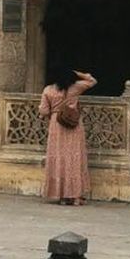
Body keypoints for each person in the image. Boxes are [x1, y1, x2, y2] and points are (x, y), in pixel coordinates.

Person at [40, 68, 97, 205]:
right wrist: (77, 73)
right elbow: (92, 81)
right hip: (73, 124)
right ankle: (76, 196)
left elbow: (44, 110)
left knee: (59, 159)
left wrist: (52, 114)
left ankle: (62, 196)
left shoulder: (48, 90)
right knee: (74, 159)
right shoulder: (75, 87)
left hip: (56, 125)